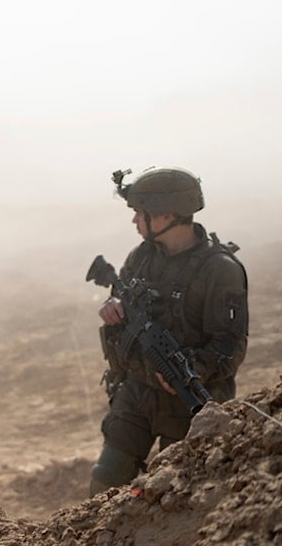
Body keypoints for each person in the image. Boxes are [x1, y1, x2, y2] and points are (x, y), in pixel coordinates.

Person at [89, 166, 248, 496]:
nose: (135, 221)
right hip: (137, 392)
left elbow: (229, 348)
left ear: (166, 214)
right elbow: (123, 293)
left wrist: (189, 370)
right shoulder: (143, 256)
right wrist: (114, 305)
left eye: (140, 213)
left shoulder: (220, 270)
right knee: (105, 480)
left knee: (173, 496)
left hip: (189, 403)